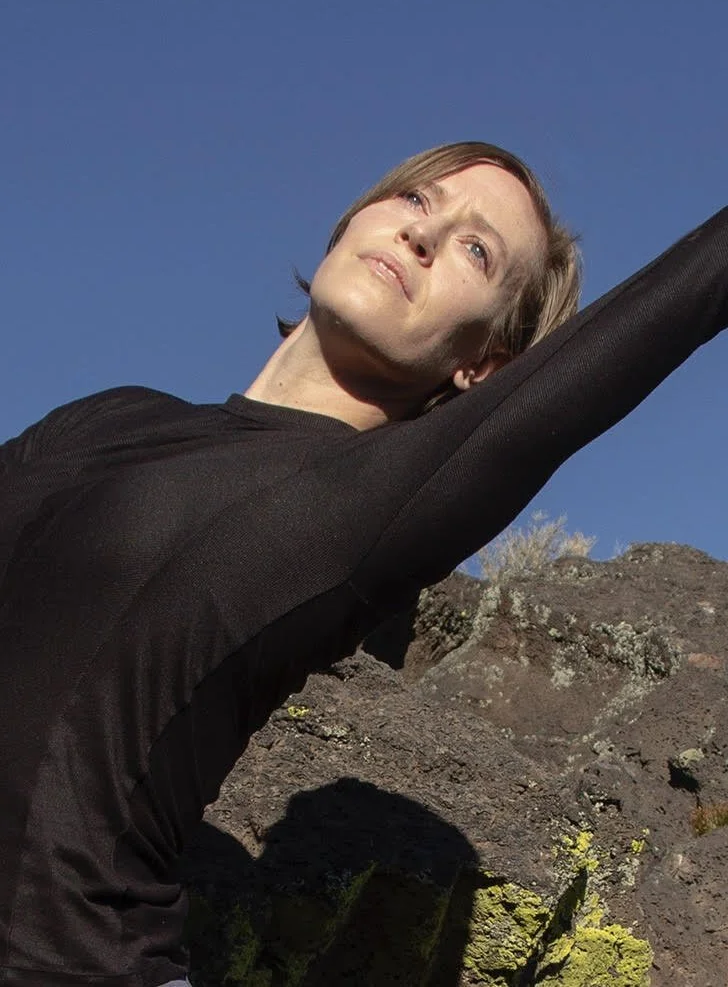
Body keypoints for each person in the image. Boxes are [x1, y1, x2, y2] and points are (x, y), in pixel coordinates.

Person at [0, 140, 726, 987]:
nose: (425, 234)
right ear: (354, 220)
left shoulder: (361, 504)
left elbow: (643, 331)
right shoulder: (109, 416)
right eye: (418, 200)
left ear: (482, 364)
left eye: (475, 249)